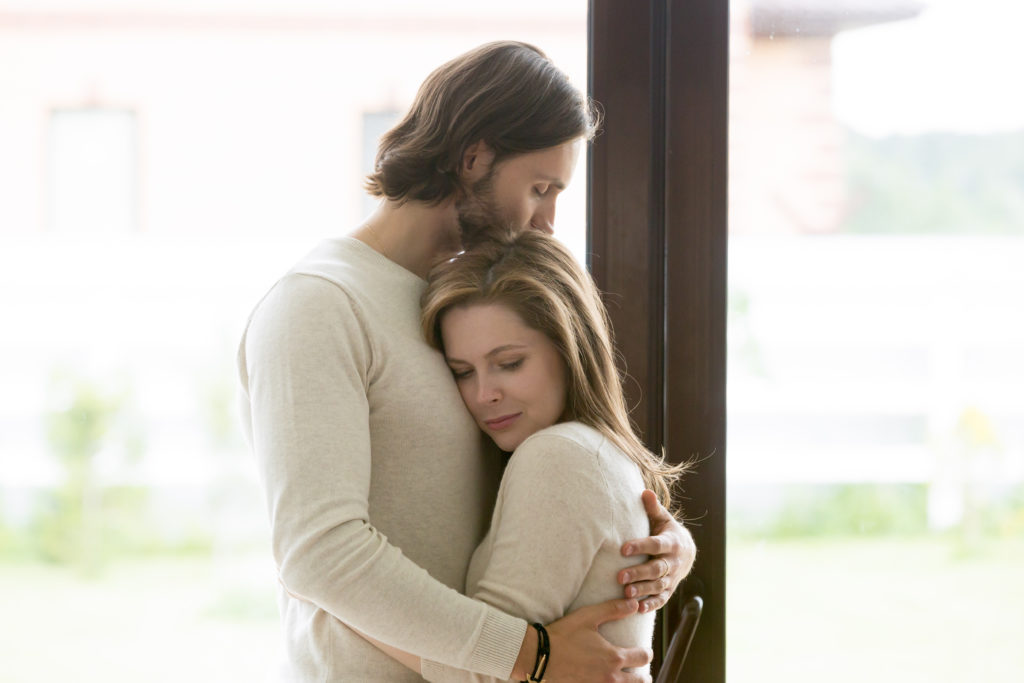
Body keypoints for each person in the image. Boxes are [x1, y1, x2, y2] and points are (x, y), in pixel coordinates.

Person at [237, 41, 696, 683]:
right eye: (540, 188)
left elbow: (534, 470)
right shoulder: (319, 305)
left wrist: (654, 539)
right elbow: (318, 552)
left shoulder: (457, 304)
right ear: (474, 157)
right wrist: (528, 656)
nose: (547, 223)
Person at [355, 227, 690, 682]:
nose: (484, 394)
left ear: (569, 347)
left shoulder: (561, 457)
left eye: (510, 363)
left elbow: (484, 674)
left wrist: (341, 604)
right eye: (462, 372)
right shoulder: (593, 453)